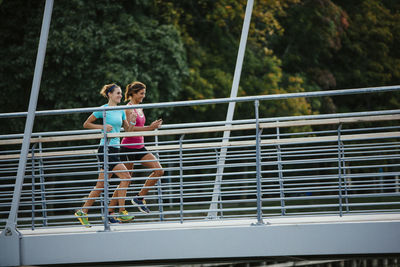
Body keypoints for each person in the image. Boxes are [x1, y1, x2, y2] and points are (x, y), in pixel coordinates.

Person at [74, 83, 137, 227]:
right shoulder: (103, 109)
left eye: (121, 93)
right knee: (126, 177)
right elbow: (86, 124)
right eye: (118, 93)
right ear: (110, 94)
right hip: (106, 148)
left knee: (101, 185)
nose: (121, 95)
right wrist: (102, 127)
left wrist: (132, 119)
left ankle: (82, 212)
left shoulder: (121, 110)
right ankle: (122, 211)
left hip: (115, 149)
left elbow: (127, 130)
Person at [120, 81, 164, 214]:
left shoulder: (140, 107)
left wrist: (152, 126)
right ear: (133, 93)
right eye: (141, 93)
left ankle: (139, 198)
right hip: (128, 147)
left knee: (159, 170)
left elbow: (140, 127)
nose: (143, 96)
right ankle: (112, 211)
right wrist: (150, 128)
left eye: (144, 93)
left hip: (140, 147)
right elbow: (129, 130)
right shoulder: (128, 108)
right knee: (126, 179)